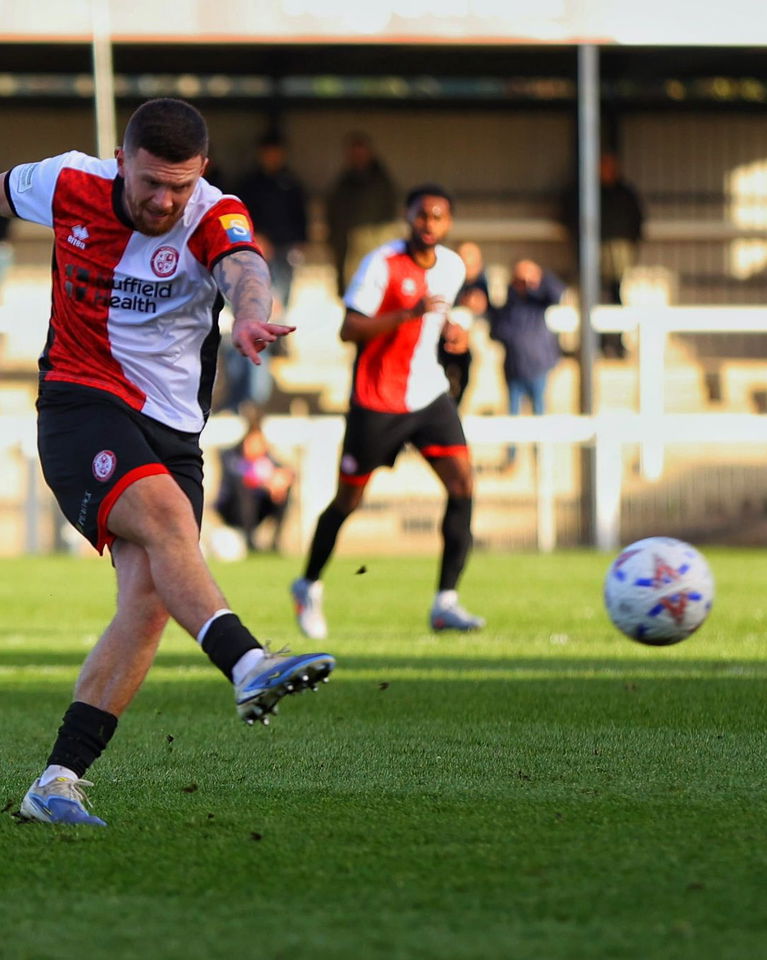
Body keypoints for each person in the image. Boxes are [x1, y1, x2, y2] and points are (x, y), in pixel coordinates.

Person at [0, 98, 334, 827]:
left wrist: (249, 313)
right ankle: (248, 664)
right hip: (79, 403)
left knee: (149, 602)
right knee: (166, 520)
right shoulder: (65, 183)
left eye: (179, 186)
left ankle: (56, 780)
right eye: (150, 182)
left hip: (174, 429)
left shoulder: (215, 214)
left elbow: (245, 265)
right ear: (120, 162)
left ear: (201, 175)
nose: (163, 200)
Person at [291, 183, 485, 640]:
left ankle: (445, 603)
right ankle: (308, 583)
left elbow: (448, 318)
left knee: (463, 483)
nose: (429, 224)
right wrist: (405, 314)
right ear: (407, 216)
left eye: (438, 217)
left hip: (428, 394)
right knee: (348, 500)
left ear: (449, 223)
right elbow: (348, 329)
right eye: (422, 215)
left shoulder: (453, 266)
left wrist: (458, 332)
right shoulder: (382, 264)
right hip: (376, 400)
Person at [561, 149, 644, 358]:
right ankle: (593, 343)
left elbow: (637, 221)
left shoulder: (625, 193)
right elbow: (569, 216)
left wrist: (626, 244)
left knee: (615, 295)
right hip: (592, 253)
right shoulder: (585, 191)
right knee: (592, 296)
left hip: (617, 253)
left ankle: (616, 343)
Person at [488, 259, 565, 466]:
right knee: (513, 417)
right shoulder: (508, 307)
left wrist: (537, 278)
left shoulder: (538, 301)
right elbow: (496, 331)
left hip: (539, 367)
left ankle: (540, 455)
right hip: (514, 370)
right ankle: (512, 458)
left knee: (540, 413)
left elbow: (557, 294)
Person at [235, 133, 307, 310]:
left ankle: (279, 333)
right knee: (260, 298)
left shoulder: (291, 182)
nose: (272, 157)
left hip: (285, 248)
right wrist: (254, 237)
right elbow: (238, 216)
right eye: (268, 153)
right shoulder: (250, 184)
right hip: (258, 251)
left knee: (283, 298)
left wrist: (301, 241)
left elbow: (300, 214)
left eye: (276, 153)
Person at [326, 132, 398, 297]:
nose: (358, 157)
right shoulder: (343, 183)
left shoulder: (381, 183)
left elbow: (388, 220)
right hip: (347, 249)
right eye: (354, 153)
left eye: (361, 152)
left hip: (373, 246)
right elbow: (334, 215)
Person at [215, 419, 295, 553]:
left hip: (259, 507)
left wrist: (280, 481)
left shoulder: (266, 459)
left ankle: (275, 542)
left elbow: (286, 472)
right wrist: (267, 483)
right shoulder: (231, 456)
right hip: (232, 508)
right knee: (244, 490)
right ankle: (249, 540)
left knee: (283, 490)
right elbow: (238, 477)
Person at [438, 241, 490, 406]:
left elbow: (491, 314)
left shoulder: (481, 283)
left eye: (471, 263)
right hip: (443, 345)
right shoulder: (444, 281)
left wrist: (480, 307)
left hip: (470, 349)